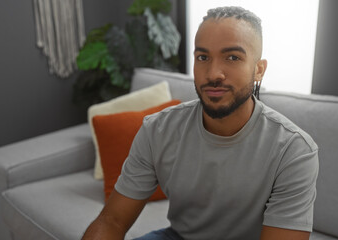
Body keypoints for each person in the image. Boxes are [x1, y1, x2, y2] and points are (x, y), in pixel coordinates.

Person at [82, 6, 318, 240]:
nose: (213, 73)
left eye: (233, 57)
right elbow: (112, 220)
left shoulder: (293, 151)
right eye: (203, 57)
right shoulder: (158, 130)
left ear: (259, 70)